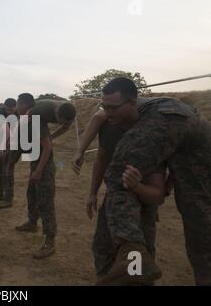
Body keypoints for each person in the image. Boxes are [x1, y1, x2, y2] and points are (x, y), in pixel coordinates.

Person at [88, 77, 211, 286]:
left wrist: (144, 187)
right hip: (195, 140)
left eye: (112, 108)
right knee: (200, 213)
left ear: (132, 103)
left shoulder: (151, 125)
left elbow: (154, 192)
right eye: (104, 107)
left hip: (178, 124)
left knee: (118, 176)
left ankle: (132, 254)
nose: (108, 114)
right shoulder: (118, 119)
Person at [75, 106, 169, 284]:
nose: (107, 113)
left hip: (140, 207)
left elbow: (157, 194)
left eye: (112, 108)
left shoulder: (149, 137)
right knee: (103, 249)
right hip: (112, 202)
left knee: (137, 263)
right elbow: (102, 157)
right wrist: (92, 193)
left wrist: (137, 187)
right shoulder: (108, 125)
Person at [11, 94, 76, 259]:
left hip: (43, 160)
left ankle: (50, 242)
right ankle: (32, 223)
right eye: (58, 120)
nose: (60, 123)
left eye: (63, 122)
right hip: (36, 153)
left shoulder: (64, 113)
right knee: (32, 191)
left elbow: (48, 148)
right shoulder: (36, 114)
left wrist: (39, 169)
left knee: (45, 199)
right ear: (55, 113)